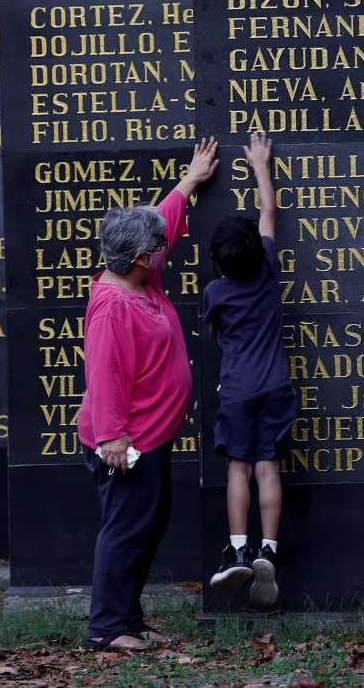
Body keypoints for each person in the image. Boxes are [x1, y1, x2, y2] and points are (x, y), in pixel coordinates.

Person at [79, 137, 218, 653]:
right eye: (158, 247)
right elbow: (106, 375)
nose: (167, 247)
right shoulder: (114, 304)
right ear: (141, 258)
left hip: (148, 437)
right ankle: (106, 627)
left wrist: (189, 180)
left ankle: (128, 620)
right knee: (124, 530)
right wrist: (112, 438)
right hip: (126, 442)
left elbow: (159, 220)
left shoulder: (141, 277)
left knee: (144, 526)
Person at [201, 131, 294, 609]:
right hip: (276, 385)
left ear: (219, 261)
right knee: (268, 466)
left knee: (238, 465)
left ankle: (237, 547)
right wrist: (261, 165)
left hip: (236, 390)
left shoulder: (217, 293)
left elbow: (216, 334)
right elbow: (268, 214)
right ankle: (269, 551)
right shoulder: (270, 270)